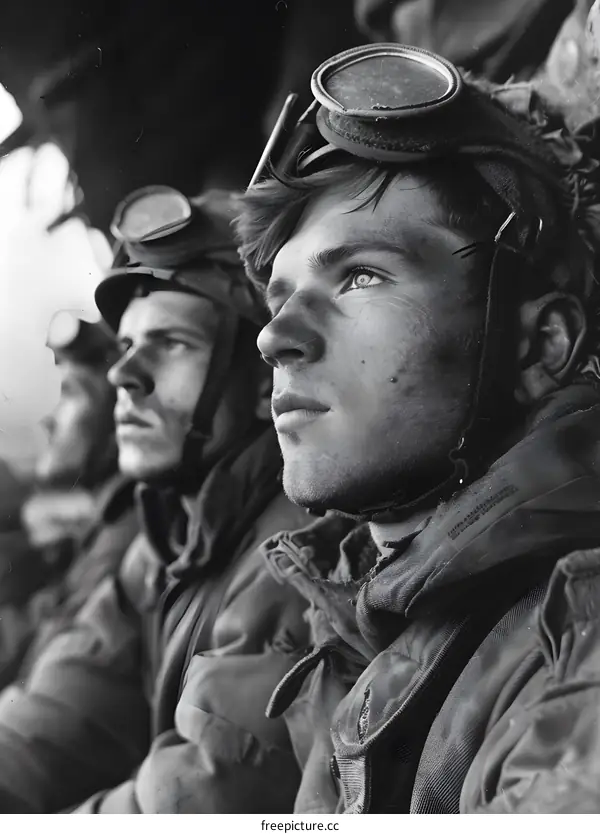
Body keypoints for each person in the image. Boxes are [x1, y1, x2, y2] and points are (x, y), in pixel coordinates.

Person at [236, 43, 600, 813]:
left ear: (540, 346)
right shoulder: (367, 618)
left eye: (362, 274)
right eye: (279, 298)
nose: (276, 338)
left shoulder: (577, 653)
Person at [0, 187, 309, 813]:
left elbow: (192, 803)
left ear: (261, 384)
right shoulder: (167, 535)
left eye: (171, 344)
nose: (124, 375)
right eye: (127, 346)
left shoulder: (294, 556)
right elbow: (63, 714)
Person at [11, 314, 138, 687]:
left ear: (114, 411)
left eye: (68, 394)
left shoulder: (122, 540)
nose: (48, 420)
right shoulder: (100, 526)